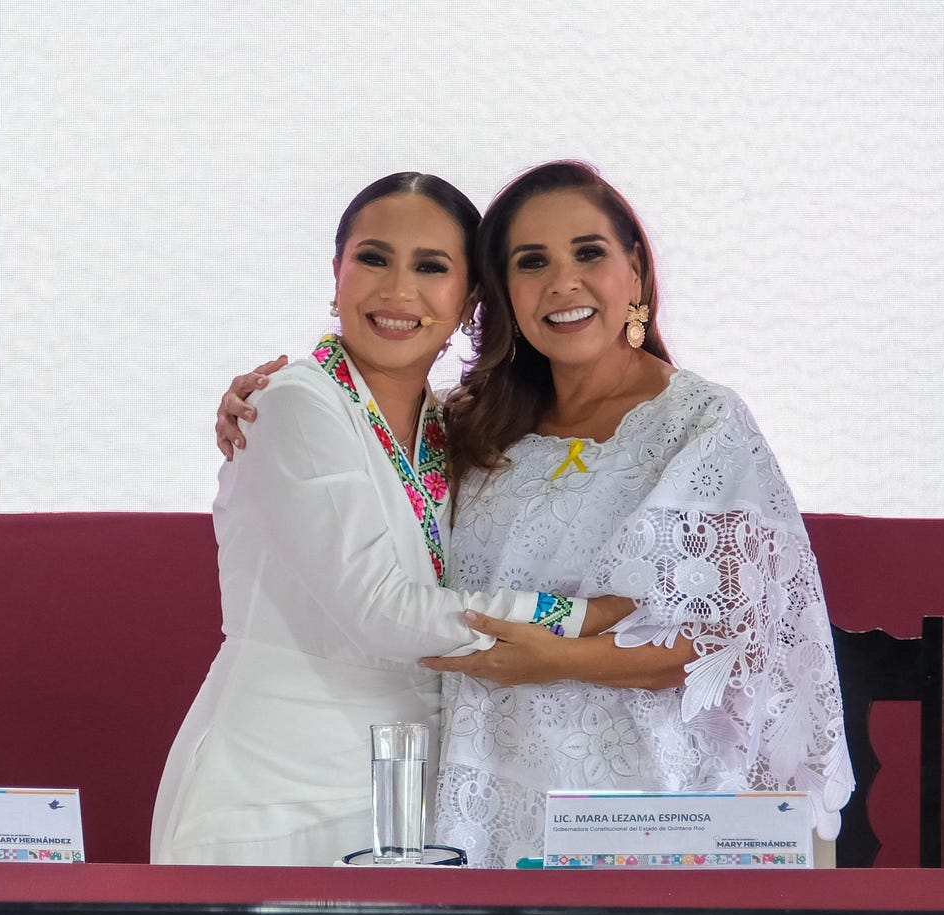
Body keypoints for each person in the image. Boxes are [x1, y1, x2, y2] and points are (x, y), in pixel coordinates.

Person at [217, 162, 852, 869]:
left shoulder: (702, 425)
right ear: (500, 294)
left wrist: (560, 659)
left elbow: (733, 638)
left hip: (649, 803)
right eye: (532, 262)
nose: (562, 283)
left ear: (636, 273)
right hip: (490, 794)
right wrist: (265, 403)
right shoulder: (473, 426)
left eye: (588, 253)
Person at [152, 172, 629, 867]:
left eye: (430, 267)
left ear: (470, 300)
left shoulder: (449, 427)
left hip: (411, 804)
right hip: (277, 799)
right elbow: (383, 612)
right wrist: (585, 618)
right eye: (374, 258)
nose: (398, 290)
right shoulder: (292, 404)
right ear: (336, 274)